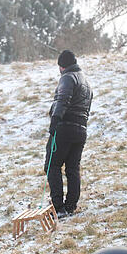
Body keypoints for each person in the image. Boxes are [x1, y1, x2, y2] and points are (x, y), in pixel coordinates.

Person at [45, 50, 92, 219]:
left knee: (52, 165)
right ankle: (71, 205)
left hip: (64, 128)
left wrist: (55, 121)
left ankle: (58, 207)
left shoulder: (67, 77)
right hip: (81, 130)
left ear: (62, 66)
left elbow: (62, 100)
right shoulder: (86, 81)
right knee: (72, 168)